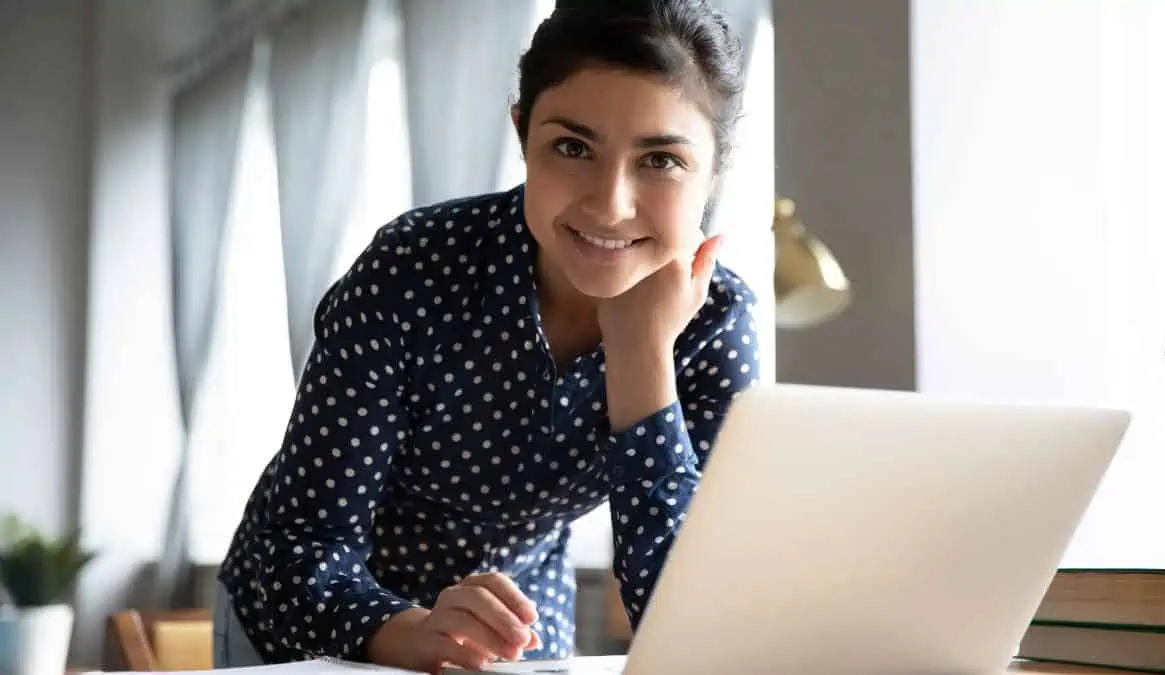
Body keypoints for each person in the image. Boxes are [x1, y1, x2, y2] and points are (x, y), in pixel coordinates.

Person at [212, 0, 760, 672]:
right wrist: (407, 628)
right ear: (522, 133)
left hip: (516, 632)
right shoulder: (413, 267)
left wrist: (641, 353)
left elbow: (687, 617)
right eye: (573, 147)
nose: (611, 202)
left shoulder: (714, 324)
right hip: (311, 622)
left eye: (661, 160)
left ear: (713, 172)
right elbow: (299, 545)